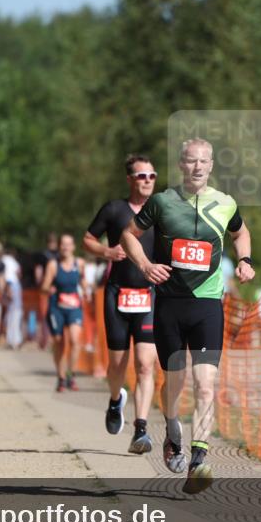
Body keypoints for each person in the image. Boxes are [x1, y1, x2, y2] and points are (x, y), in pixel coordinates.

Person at [121, 137, 255, 494]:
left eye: (204, 161)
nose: (197, 167)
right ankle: (171, 427)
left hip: (208, 304)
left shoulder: (225, 203)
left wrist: (245, 260)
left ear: (211, 166)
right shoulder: (162, 202)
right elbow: (128, 235)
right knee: (174, 384)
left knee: (206, 384)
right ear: (181, 165)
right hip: (170, 304)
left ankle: (199, 459)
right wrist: (146, 265)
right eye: (191, 161)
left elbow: (241, 232)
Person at [83, 154, 159, 448]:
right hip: (118, 294)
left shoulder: (159, 212)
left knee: (145, 365)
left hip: (149, 296)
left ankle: (141, 428)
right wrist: (106, 252)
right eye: (142, 176)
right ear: (130, 180)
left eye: (152, 176)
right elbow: (88, 238)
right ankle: (116, 401)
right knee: (116, 366)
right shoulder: (114, 209)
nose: (148, 181)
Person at [41, 233, 90, 392]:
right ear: (59, 247)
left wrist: (85, 289)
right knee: (59, 341)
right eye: (63, 244)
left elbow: (83, 280)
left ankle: (71, 374)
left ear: (73, 247)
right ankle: (60, 377)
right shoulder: (53, 265)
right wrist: (50, 289)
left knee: (76, 340)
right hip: (57, 307)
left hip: (74, 306)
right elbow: (44, 287)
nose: (65, 247)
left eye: (68, 244)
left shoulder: (80, 263)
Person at [0, 244, 24, 348]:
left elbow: (5, 275)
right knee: (16, 314)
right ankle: (15, 339)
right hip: (15, 286)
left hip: (8, 286)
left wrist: (7, 290)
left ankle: (12, 339)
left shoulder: (3, 260)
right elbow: (18, 274)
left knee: (10, 314)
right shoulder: (14, 262)